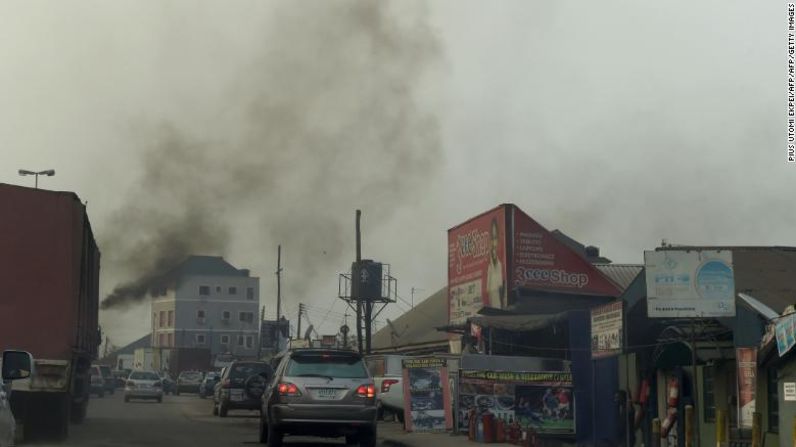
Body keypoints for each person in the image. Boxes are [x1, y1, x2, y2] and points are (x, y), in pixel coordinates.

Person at [485, 217, 506, 309]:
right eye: (492, 238)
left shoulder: (501, 264)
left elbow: (501, 284)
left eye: (495, 238)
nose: (494, 243)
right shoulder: (489, 266)